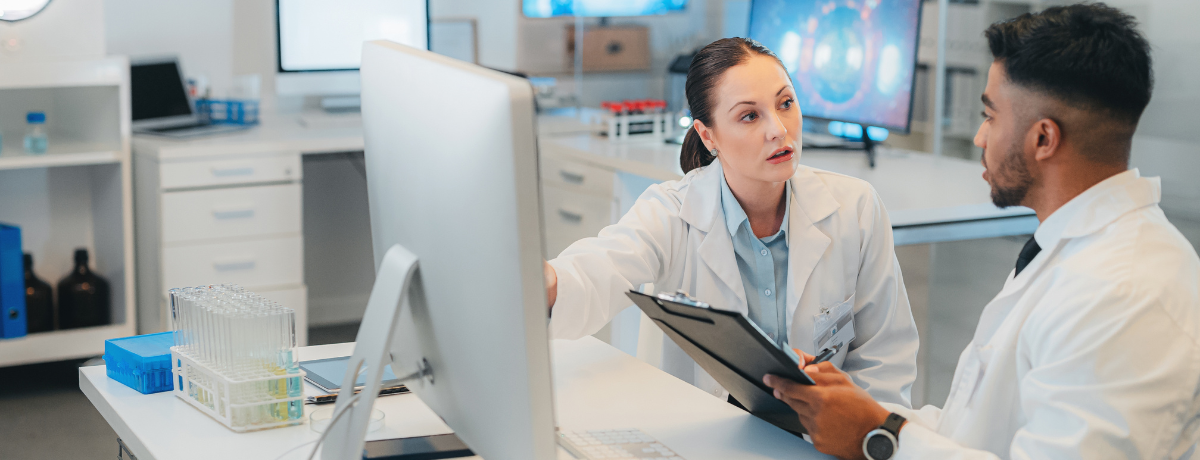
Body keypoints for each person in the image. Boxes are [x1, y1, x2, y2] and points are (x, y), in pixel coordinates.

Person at [763, 4, 1200, 459]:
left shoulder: (1126, 294)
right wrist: (863, 412)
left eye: (990, 116)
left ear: (1043, 139)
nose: (979, 138)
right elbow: (975, 434)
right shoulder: (1071, 250)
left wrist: (879, 438)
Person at [542, 37, 919, 407]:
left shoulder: (855, 209)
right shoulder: (672, 213)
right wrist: (544, 283)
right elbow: (597, 270)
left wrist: (865, 438)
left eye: (785, 103)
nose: (778, 129)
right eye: (749, 115)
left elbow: (884, 360)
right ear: (708, 136)